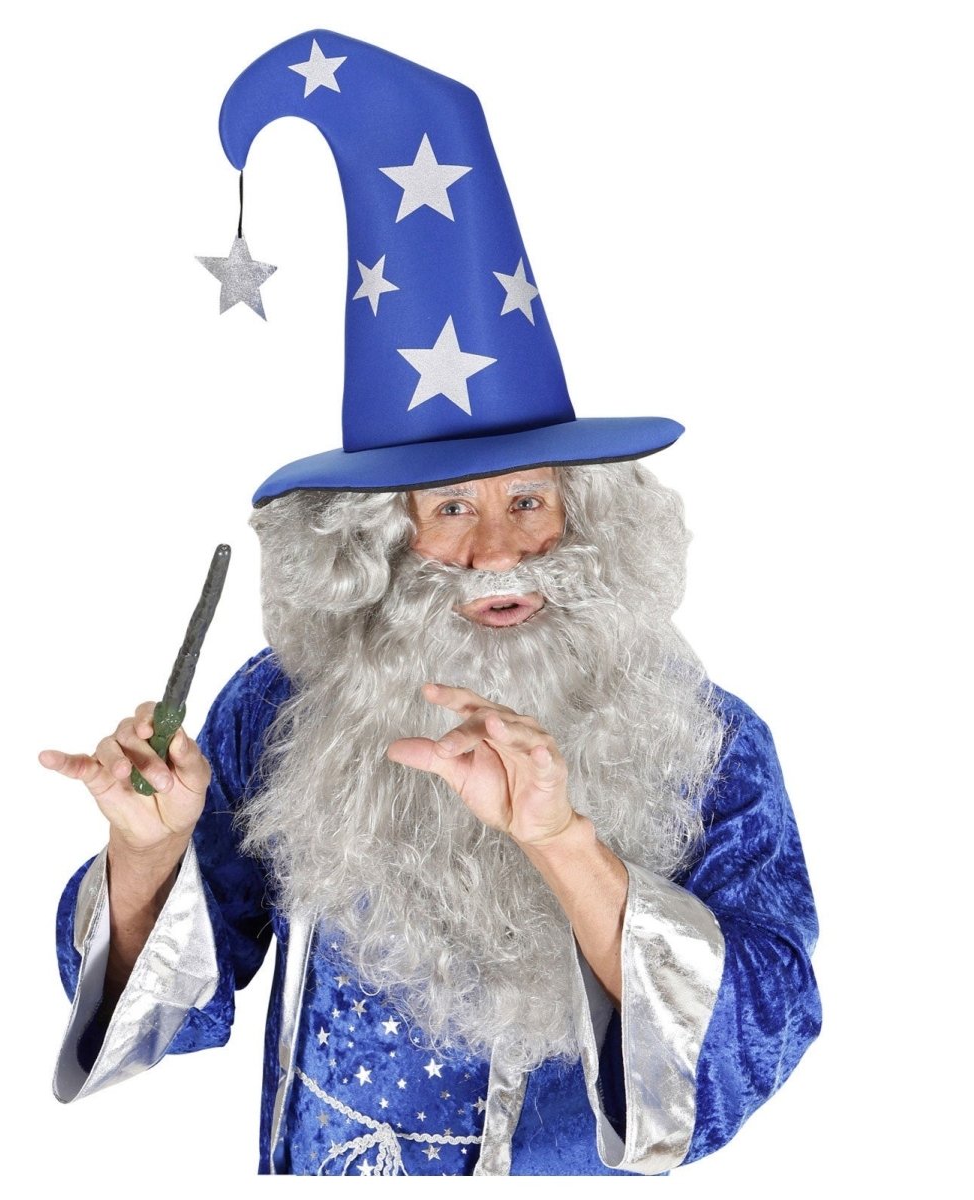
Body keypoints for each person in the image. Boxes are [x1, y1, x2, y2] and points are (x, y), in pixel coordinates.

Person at [44, 31, 821, 1175]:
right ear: (378, 534)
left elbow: (760, 1032)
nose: (497, 552)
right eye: (450, 507)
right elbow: (175, 1004)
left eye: (528, 501)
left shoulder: (701, 737)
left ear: (588, 514)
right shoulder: (287, 703)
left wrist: (562, 843)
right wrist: (147, 855)